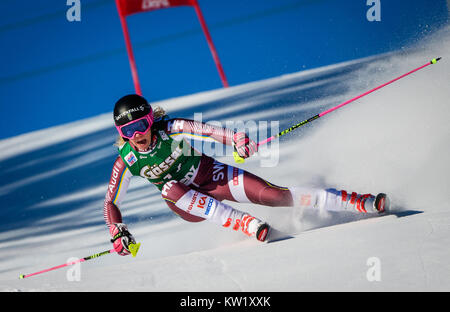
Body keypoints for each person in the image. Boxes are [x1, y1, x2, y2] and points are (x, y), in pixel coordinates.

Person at [104, 94, 388, 255]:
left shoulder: (171, 128)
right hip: (184, 202)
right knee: (169, 188)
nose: (137, 135)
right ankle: (246, 224)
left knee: (276, 196)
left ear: (151, 120)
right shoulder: (126, 161)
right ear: (121, 134)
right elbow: (111, 202)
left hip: (211, 176)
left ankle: (357, 202)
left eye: (141, 125)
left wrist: (236, 139)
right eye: (127, 131)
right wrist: (117, 231)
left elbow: (208, 131)